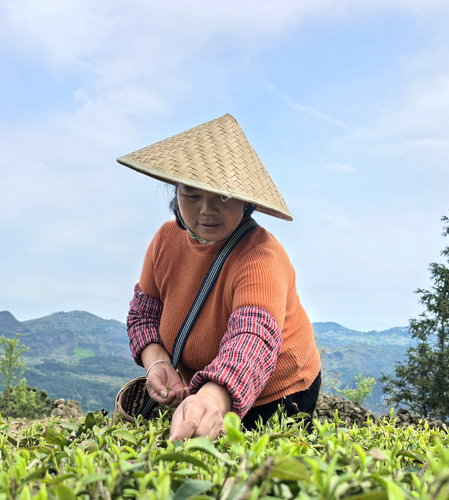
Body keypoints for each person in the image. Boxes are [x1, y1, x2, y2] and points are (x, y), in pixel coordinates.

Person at [118, 114, 321, 441]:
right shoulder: (165, 241)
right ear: (176, 191)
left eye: (223, 196)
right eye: (192, 193)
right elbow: (144, 314)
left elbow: (252, 338)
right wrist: (157, 364)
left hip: (279, 392)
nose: (207, 210)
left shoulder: (260, 257)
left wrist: (212, 398)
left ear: (247, 201)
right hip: (202, 389)